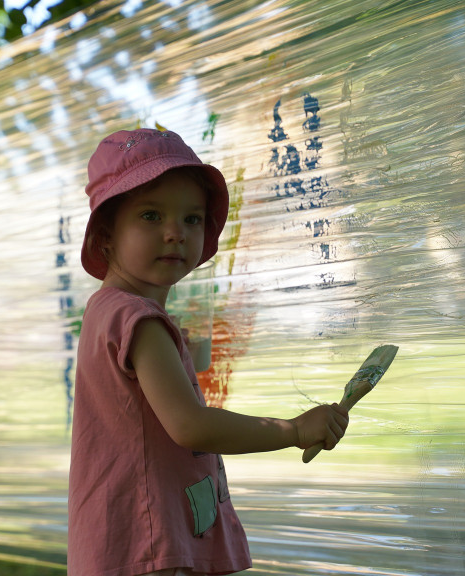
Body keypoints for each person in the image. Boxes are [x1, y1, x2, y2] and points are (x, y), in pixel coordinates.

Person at [68, 129, 349, 576]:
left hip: (123, 543)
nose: (175, 233)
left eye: (192, 219)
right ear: (106, 236)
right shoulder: (139, 322)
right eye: (150, 215)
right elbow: (190, 426)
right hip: (153, 546)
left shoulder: (109, 312)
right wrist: (294, 429)